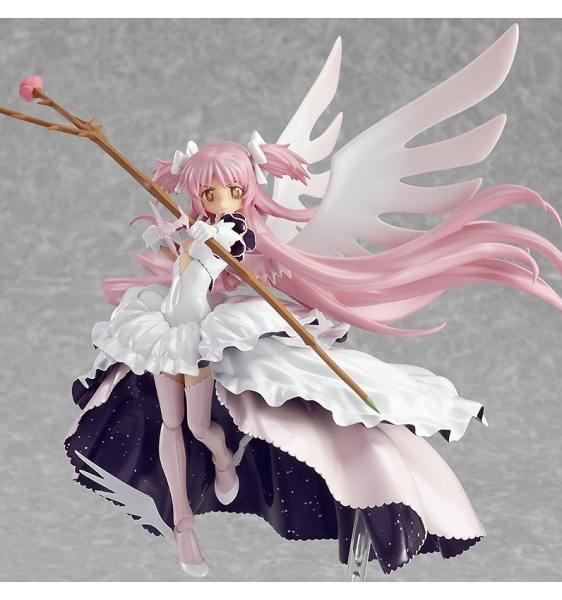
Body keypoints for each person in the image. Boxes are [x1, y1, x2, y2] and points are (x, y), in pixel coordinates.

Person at [65, 25, 562, 578]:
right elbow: (178, 253)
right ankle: (183, 523)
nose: (221, 200)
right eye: (209, 192)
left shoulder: (234, 232)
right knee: (170, 425)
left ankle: (224, 460)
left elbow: (227, 254)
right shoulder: (193, 226)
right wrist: (173, 226)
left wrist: (206, 241)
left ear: (246, 191)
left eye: (233, 191)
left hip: (198, 337)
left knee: (200, 428)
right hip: (164, 329)